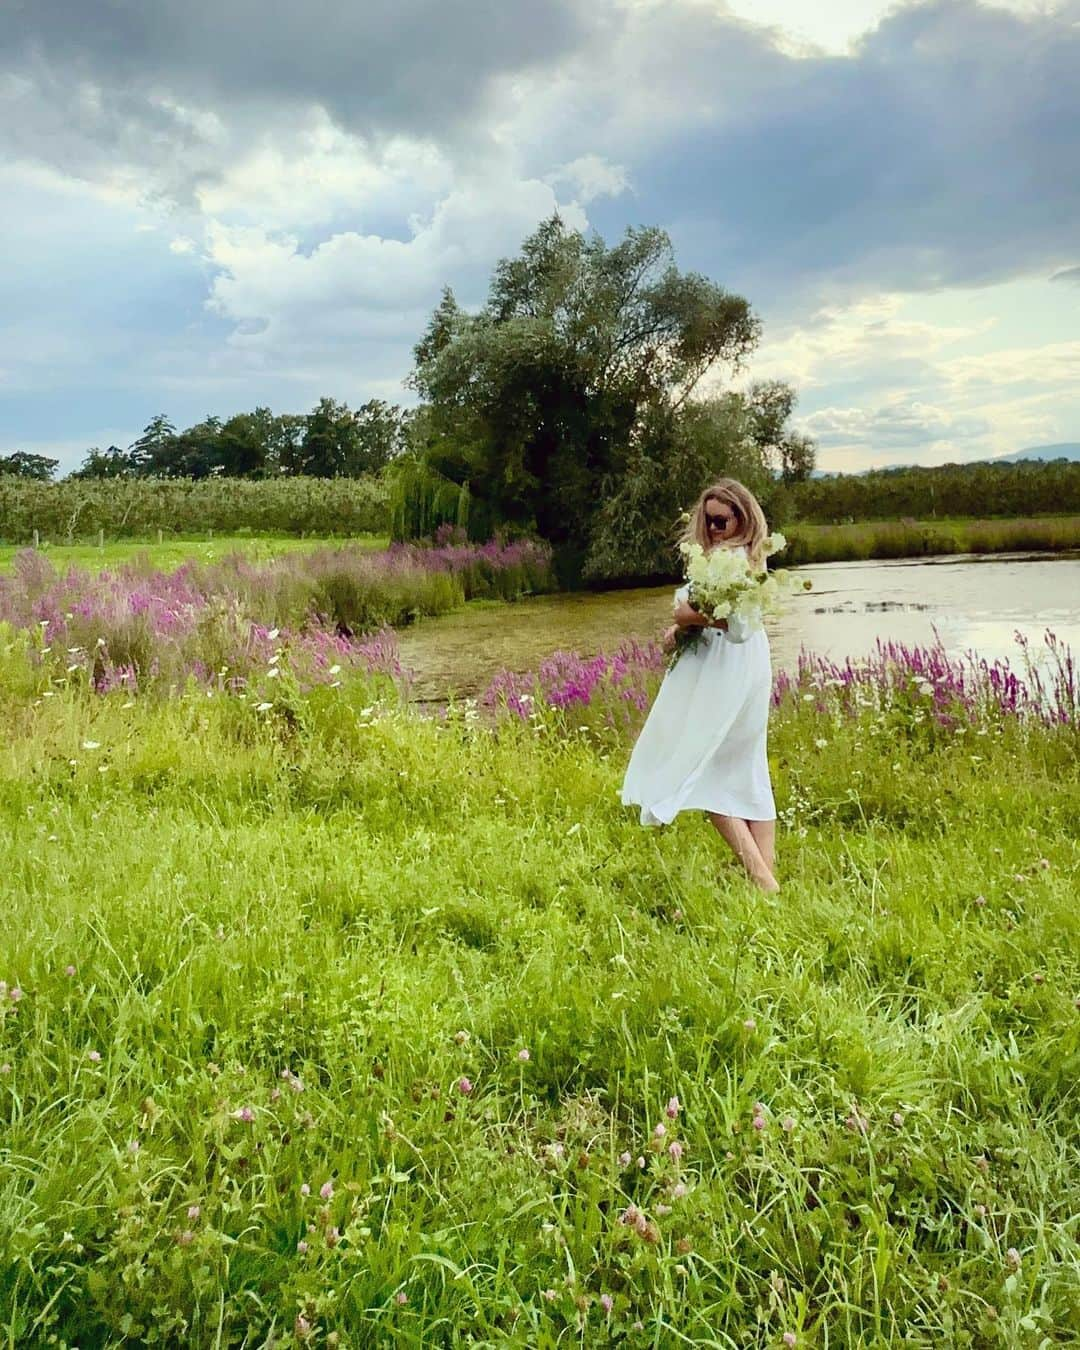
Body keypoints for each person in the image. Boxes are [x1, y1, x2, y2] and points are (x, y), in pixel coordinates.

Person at [620, 479, 779, 892]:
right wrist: (682, 628)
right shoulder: (735, 558)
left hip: (730, 669)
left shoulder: (738, 561)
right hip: (737, 666)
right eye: (708, 521)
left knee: (706, 770)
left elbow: (740, 627)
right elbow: (714, 614)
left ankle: (763, 880)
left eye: (721, 520)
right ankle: (768, 878)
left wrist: (690, 619)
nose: (713, 529)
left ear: (743, 517)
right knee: (748, 769)